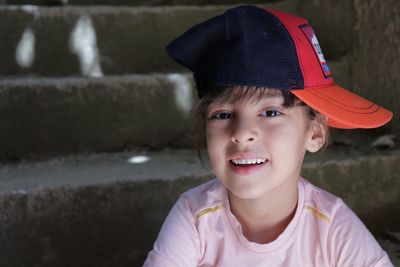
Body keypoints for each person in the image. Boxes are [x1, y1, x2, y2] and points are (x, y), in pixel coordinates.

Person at [144, 5, 394, 267]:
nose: (241, 134)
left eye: (271, 112)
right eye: (223, 115)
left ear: (315, 131)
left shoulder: (332, 228)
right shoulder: (194, 217)